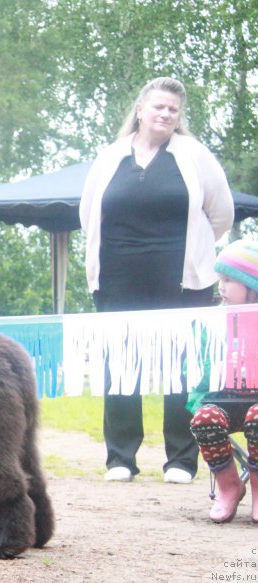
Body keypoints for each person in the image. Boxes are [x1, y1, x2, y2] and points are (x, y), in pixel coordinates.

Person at [80, 76, 234, 484]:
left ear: (179, 117)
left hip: (182, 282)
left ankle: (181, 461)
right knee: (119, 366)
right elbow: (88, 214)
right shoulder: (111, 156)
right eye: (159, 107)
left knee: (181, 368)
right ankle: (120, 458)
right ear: (140, 110)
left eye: (173, 110)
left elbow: (221, 215)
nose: (165, 114)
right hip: (116, 278)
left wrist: (196, 249)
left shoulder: (195, 155)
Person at [188, 238, 258, 523]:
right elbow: (198, 374)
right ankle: (229, 487)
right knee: (205, 418)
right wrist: (197, 402)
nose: (221, 287)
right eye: (220, 279)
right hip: (224, 402)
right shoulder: (211, 325)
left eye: (229, 280)